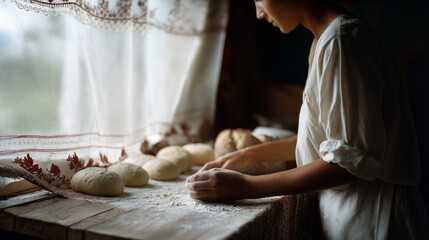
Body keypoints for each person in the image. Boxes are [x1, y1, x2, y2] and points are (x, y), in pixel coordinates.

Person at [185, 0, 429, 239]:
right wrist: (246, 156)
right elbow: (329, 142)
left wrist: (245, 187)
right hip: (351, 212)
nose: (258, 13)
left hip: (375, 219)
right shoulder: (324, 40)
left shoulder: (342, 41)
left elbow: (347, 164)